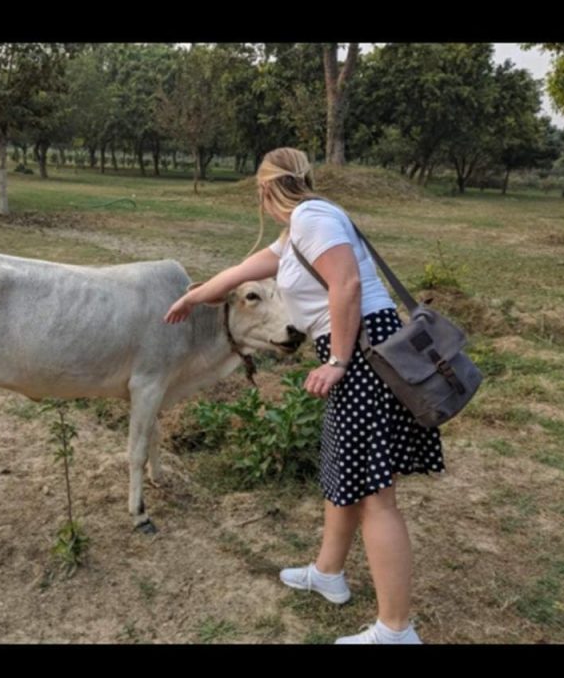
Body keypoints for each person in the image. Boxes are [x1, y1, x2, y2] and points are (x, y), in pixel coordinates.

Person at [163, 147, 444, 644]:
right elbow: (242, 271)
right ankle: (328, 573)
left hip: (363, 350)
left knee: (377, 494)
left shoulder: (313, 217)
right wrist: (191, 295)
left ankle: (396, 629)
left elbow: (347, 284)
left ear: (266, 188)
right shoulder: (296, 232)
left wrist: (336, 360)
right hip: (360, 347)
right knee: (348, 470)